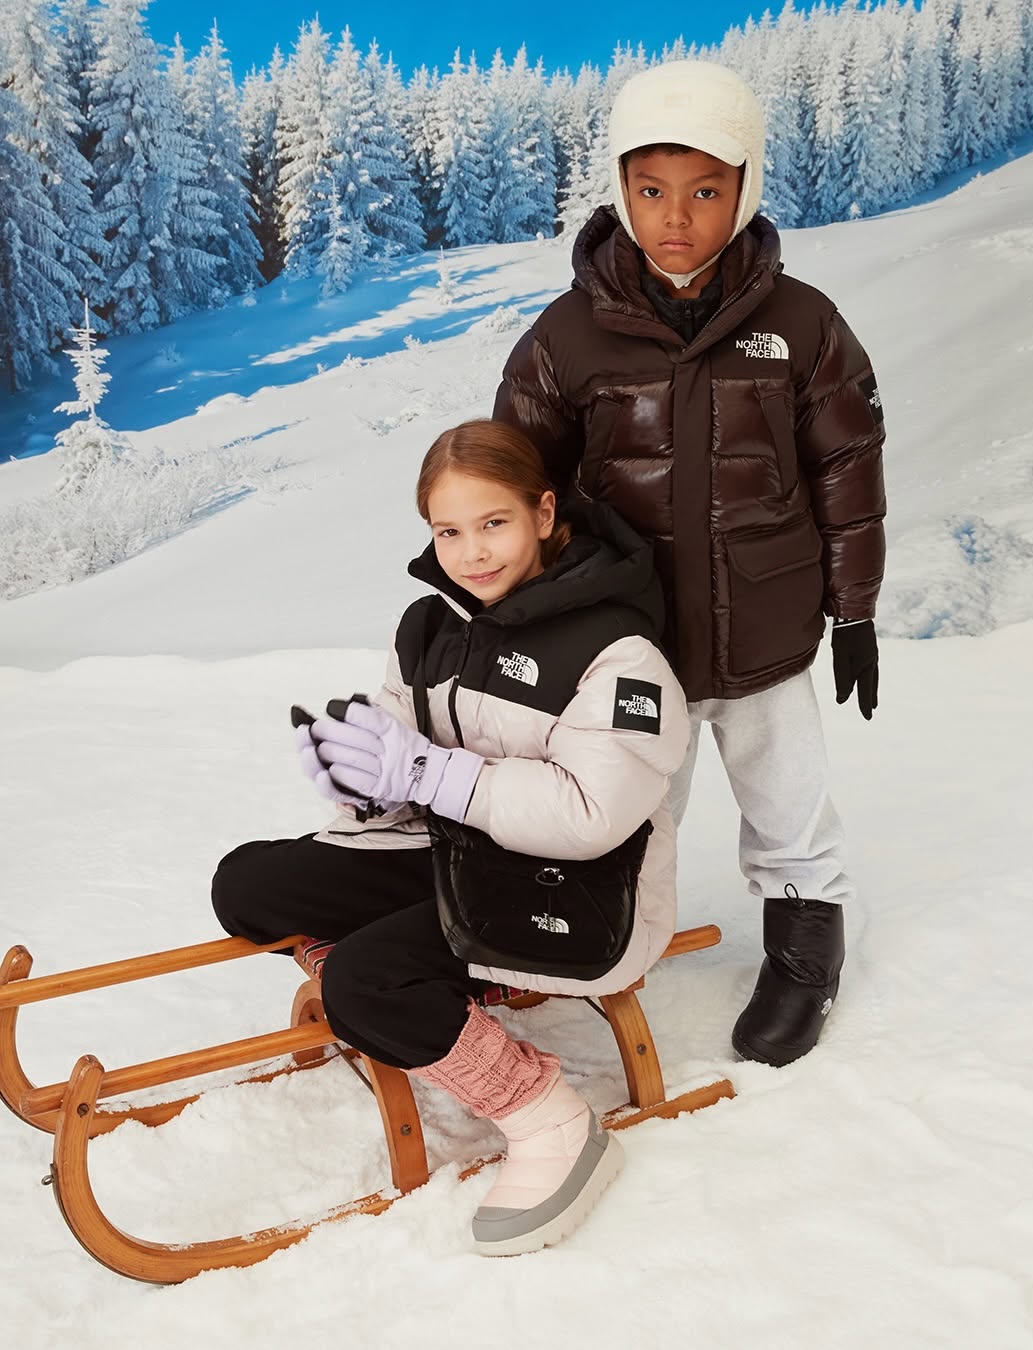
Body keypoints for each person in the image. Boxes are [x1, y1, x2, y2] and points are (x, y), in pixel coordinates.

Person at [211, 418, 689, 1256]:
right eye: (449, 531)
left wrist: (434, 776)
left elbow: (591, 816)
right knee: (247, 884)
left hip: (578, 894)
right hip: (458, 854)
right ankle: (412, 981)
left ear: (544, 513)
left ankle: (547, 1116)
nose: (472, 553)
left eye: (494, 522)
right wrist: (364, 780)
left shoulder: (618, 653)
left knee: (362, 982)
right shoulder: (432, 628)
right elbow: (403, 742)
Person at [492, 61, 887, 1068]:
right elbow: (517, 482)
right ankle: (595, 933)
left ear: (744, 191)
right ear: (620, 189)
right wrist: (510, 609)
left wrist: (855, 610)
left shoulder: (801, 325)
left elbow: (847, 463)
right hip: (632, 641)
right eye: (652, 190)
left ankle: (805, 948)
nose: (677, 217)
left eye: (706, 190)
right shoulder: (566, 336)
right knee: (625, 802)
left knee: (787, 795)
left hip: (766, 626)